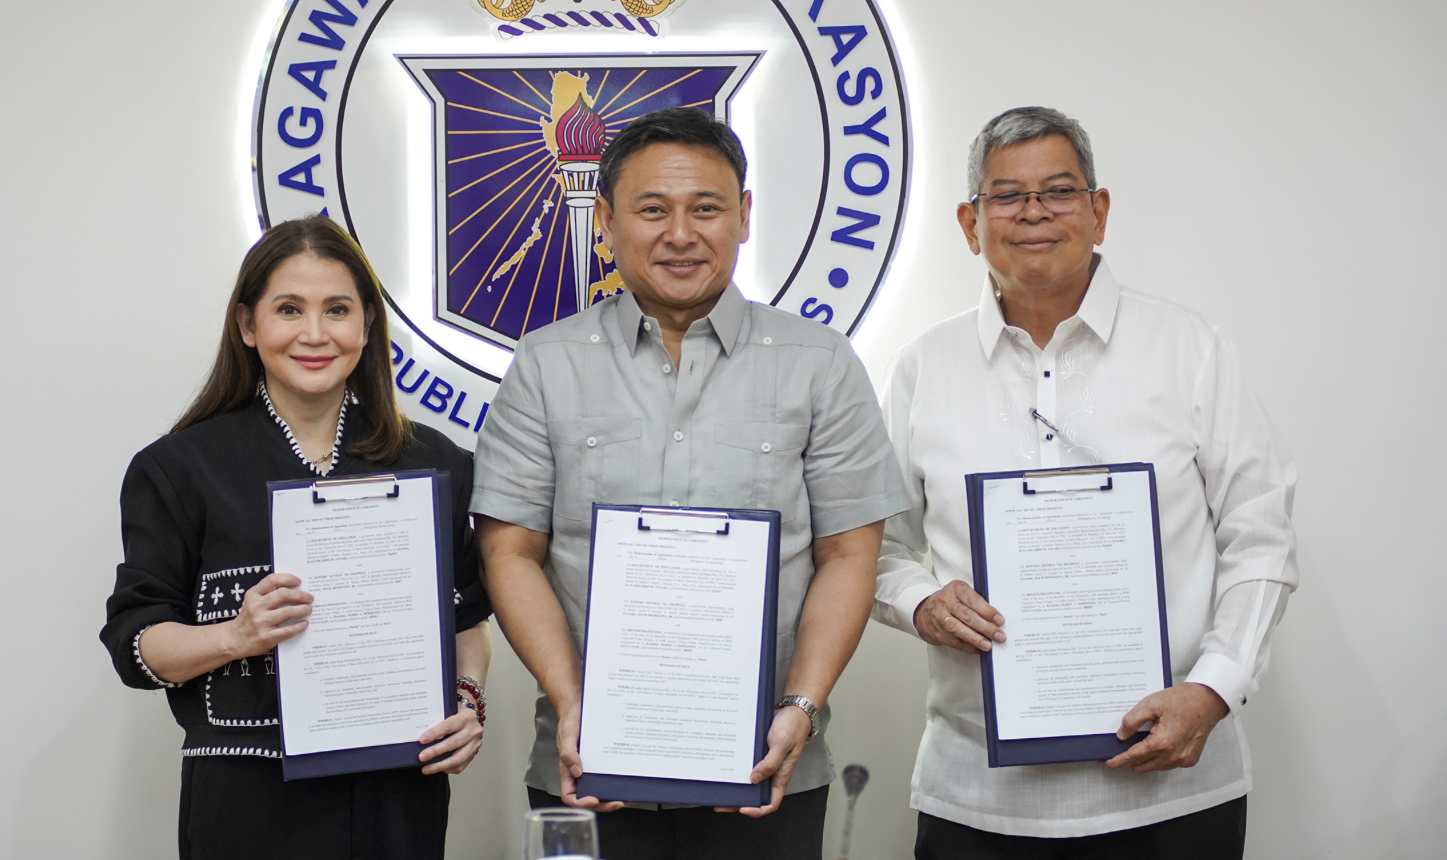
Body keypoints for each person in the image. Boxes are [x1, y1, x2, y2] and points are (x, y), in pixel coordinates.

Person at [472, 106, 907, 860]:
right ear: (605, 219)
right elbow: (510, 550)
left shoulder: (820, 362)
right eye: (652, 209)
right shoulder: (545, 365)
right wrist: (575, 705)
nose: (681, 233)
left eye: (706, 208)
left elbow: (849, 554)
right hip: (587, 772)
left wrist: (800, 706)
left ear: (743, 216)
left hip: (766, 772)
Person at [874, 106, 1298, 858]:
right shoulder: (922, 368)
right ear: (971, 224)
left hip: (1173, 794)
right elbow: (875, 548)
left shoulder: (1191, 350)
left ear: (1098, 213)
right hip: (979, 797)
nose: (1033, 213)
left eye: (1059, 192)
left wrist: (1215, 688)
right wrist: (921, 603)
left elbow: (1260, 534)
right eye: (1007, 196)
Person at [100, 216, 492, 860]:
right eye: (289, 309)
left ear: (367, 326)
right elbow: (134, 646)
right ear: (249, 326)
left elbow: (467, 617)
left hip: (396, 793)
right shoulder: (177, 468)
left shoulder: (437, 462)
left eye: (337, 310)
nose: (315, 334)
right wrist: (235, 635)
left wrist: (469, 702)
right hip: (246, 801)